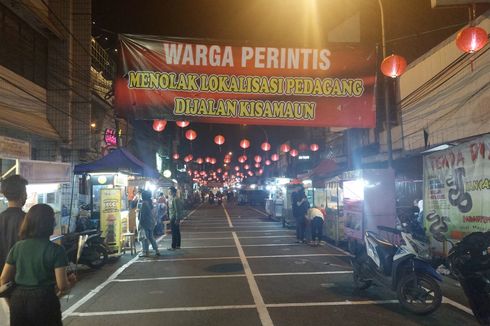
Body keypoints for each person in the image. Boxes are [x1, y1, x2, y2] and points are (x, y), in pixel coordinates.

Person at [1, 204, 75, 326]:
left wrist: (12, 301)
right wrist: (70, 282)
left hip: (18, 300)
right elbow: (62, 285)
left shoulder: (18, 247)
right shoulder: (56, 250)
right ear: (50, 224)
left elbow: (3, 279)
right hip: (44, 300)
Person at [0, 175, 28, 324]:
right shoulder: (28, 220)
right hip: (24, 282)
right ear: (22, 194)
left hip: (3, 282)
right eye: (25, 191)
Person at [138, 190, 160, 257]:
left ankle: (146, 252)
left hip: (145, 223)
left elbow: (142, 215)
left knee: (145, 238)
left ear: (143, 196)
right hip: (151, 222)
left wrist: (140, 224)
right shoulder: (149, 203)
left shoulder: (144, 204)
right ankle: (156, 250)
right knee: (151, 237)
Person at [168, 186, 184, 250]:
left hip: (174, 217)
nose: (169, 192)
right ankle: (178, 245)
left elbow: (177, 210)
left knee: (174, 232)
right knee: (177, 231)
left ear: (173, 192)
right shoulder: (174, 198)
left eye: (170, 191)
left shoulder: (175, 199)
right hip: (173, 216)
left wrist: (177, 219)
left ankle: (174, 246)